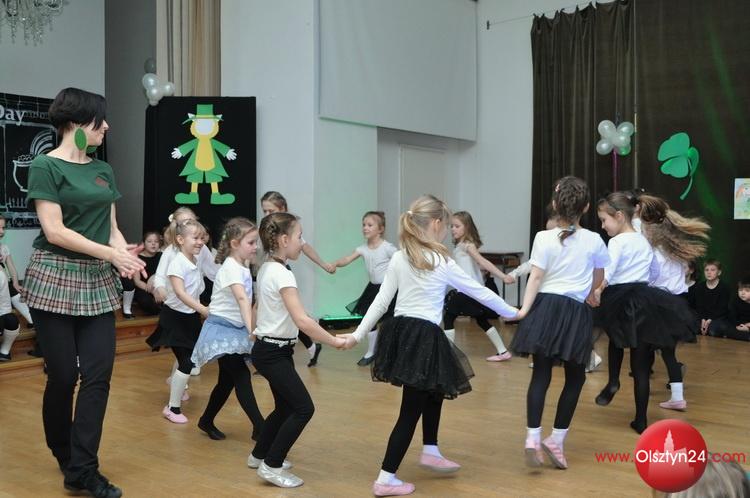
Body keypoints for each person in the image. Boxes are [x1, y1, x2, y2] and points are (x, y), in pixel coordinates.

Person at [339, 195, 518, 497]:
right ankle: (385, 478)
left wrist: (358, 334)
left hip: (403, 333)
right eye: (446, 224)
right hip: (423, 336)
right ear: (435, 224)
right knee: (410, 411)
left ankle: (431, 449)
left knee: (434, 390)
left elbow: (381, 302)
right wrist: (513, 312)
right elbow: (477, 290)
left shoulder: (400, 257)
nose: (447, 230)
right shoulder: (441, 260)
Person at [23, 87, 146, 498]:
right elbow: (55, 231)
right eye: (99, 120)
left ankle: (83, 468)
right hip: (54, 276)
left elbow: (111, 228)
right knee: (63, 377)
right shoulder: (45, 165)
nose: (106, 126)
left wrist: (125, 256)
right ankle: (63, 450)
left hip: (96, 281)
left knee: (98, 376)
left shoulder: (102, 169)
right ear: (76, 123)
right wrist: (112, 255)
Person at [511, 176, 609, 470]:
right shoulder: (594, 240)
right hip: (574, 312)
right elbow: (599, 275)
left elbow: (536, 277)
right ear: (587, 207)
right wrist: (592, 293)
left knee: (540, 374)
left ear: (555, 204)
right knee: (575, 378)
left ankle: (532, 437)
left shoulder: (543, 237)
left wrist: (524, 310)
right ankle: (556, 439)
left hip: (545, 308)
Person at [248, 212, 347, 488]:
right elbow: (302, 320)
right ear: (283, 240)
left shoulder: (268, 267)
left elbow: (269, 309)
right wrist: (334, 341)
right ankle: (272, 465)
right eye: (299, 236)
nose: (302, 242)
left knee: (284, 407)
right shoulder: (281, 274)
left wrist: (254, 330)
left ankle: (259, 455)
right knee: (303, 408)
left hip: (273, 350)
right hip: (272, 352)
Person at [591, 192, 696, 434]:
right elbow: (654, 270)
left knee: (615, 341)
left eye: (604, 220)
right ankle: (641, 420)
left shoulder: (617, 242)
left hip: (618, 297)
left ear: (619, 216)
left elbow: (609, 271)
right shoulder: (643, 240)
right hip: (643, 298)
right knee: (640, 367)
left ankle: (613, 381)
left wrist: (598, 290)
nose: (603, 226)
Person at [191, 217, 265, 441]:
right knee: (241, 375)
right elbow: (242, 299)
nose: (256, 247)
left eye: (255, 242)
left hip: (235, 328)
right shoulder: (231, 267)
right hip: (222, 330)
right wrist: (252, 331)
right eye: (251, 242)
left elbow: (249, 301)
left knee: (227, 381)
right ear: (234, 244)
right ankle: (260, 428)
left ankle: (206, 420)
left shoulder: (242, 266)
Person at [638, 194, 710, 411]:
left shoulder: (654, 252)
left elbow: (652, 278)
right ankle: (676, 396)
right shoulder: (676, 250)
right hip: (676, 304)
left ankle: (644, 388)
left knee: (646, 349)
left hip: (658, 303)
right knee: (667, 352)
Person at [260, 191, 336, 367]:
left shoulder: (291, 229)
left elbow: (305, 247)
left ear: (282, 209)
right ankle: (309, 346)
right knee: (291, 314)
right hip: (271, 272)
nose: (267, 214)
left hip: (279, 272)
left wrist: (324, 264)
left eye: (271, 210)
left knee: (294, 314)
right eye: (264, 211)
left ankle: (310, 346)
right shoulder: (268, 233)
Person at [146, 219, 208, 424]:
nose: (200, 242)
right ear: (180, 240)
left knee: (188, 361)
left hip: (190, 318)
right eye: (195, 238)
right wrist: (202, 309)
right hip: (174, 318)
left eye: (202, 238)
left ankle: (177, 386)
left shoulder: (195, 261)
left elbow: (196, 290)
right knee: (187, 362)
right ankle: (172, 408)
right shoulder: (177, 263)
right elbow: (181, 294)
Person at [443, 210, 512, 361]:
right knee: (480, 319)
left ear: (467, 227)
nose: (453, 229)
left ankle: (448, 355)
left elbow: (483, 261)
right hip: (469, 290)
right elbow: (472, 265)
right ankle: (503, 351)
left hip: (467, 290)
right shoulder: (460, 246)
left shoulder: (467, 245)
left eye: (457, 226)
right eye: (451, 226)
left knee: (448, 316)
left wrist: (503, 276)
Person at [333, 210, 397, 366]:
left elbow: (401, 260)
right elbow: (347, 258)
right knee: (369, 319)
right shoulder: (363, 248)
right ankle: (371, 351)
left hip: (387, 290)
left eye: (369, 225)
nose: (365, 228)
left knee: (389, 322)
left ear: (380, 229)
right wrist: (335, 264)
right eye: (364, 225)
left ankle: (390, 354)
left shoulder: (387, 248)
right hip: (372, 289)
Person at [0, 214, 34, 328]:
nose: (1, 231)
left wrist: (15, 283)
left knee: (15, 293)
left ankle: (32, 320)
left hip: (5, 284)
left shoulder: (4, 248)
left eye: (3, 228)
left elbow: (12, 268)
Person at [693, 259, 731, 336]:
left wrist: (709, 321)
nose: (709, 272)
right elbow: (699, 306)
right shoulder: (700, 287)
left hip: (717, 317)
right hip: (702, 316)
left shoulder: (724, 288)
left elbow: (722, 308)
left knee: (713, 330)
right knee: (693, 327)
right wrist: (703, 320)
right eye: (706, 270)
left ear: (719, 272)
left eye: (713, 270)